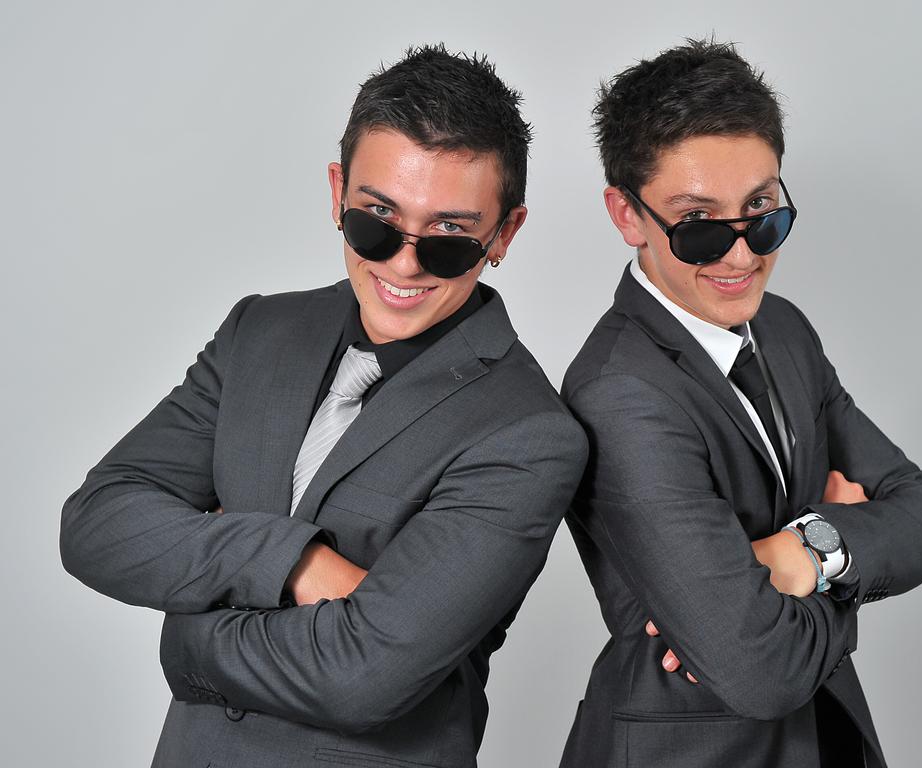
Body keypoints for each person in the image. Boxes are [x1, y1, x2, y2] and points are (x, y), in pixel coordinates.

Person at [60, 45, 587, 768]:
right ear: (337, 190)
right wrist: (294, 560)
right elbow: (97, 522)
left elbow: (366, 676)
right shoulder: (260, 332)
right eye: (376, 219)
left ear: (504, 235)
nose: (403, 264)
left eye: (449, 239)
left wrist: (186, 629)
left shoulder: (529, 433)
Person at [559, 39, 922, 768]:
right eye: (701, 224)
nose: (742, 255)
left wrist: (800, 555)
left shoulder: (783, 328)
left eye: (762, 210)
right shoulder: (619, 394)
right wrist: (842, 546)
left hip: (828, 739)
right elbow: (757, 667)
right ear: (627, 214)